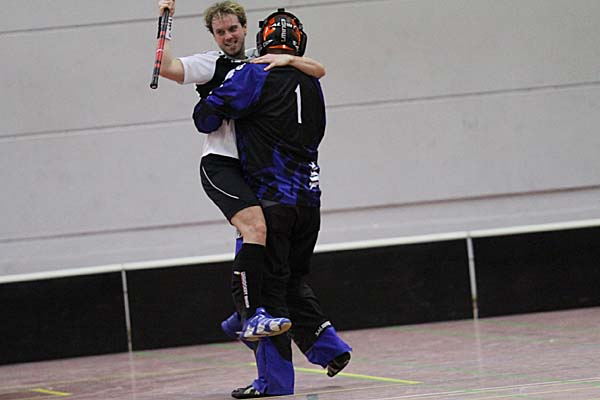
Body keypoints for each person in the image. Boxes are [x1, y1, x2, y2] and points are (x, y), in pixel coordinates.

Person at [193, 9, 352, 398]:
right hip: (309, 204)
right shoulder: (311, 80)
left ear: (261, 39)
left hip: (273, 200)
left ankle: (273, 381)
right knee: (290, 281)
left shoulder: (256, 72)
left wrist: (211, 95)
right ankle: (328, 347)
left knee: (266, 293)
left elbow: (205, 119)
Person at [155, 0, 327, 339]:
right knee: (256, 228)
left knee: (265, 239)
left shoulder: (260, 57)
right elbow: (166, 67)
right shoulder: (210, 63)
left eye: (233, 29)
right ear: (213, 36)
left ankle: (241, 315)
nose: (228, 37)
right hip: (222, 163)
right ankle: (250, 316)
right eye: (220, 32)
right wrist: (165, 19)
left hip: (254, 165)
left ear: (246, 28)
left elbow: (319, 69)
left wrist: (290, 59)